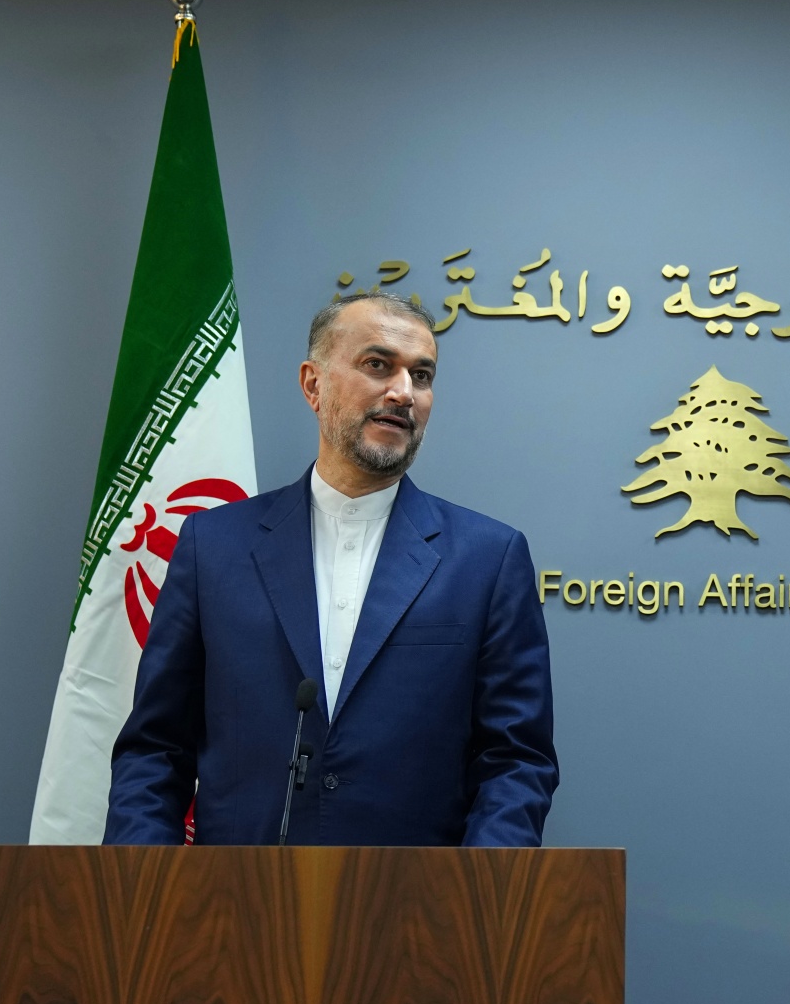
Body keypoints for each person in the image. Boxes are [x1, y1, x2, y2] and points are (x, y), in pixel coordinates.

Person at [105, 292, 557, 846]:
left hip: (420, 898)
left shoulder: (488, 558)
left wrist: (479, 891)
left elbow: (515, 761)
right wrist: (147, 885)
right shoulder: (213, 547)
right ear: (313, 385)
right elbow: (155, 749)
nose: (403, 392)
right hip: (237, 895)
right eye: (378, 365)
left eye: (421, 375)